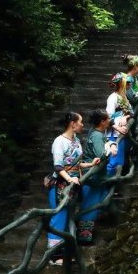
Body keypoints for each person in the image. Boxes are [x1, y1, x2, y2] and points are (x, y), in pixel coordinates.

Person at [47, 112, 100, 265]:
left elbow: (77, 163)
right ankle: (54, 256)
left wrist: (90, 164)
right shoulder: (59, 142)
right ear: (73, 124)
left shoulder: (76, 140)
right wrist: (70, 178)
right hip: (61, 186)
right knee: (59, 217)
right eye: (81, 122)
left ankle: (67, 252)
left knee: (68, 216)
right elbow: (58, 166)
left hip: (74, 184)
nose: (83, 125)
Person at [78, 109, 117, 245]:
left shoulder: (96, 133)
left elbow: (105, 141)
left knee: (98, 201)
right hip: (92, 176)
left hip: (95, 176)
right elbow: (101, 154)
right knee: (90, 205)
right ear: (102, 122)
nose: (109, 121)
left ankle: (87, 236)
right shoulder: (97, 136)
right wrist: (110, 149)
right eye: (107, 119)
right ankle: (84, 239)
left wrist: (111, 143)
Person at [105, 73, 132, 176]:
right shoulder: (113, 98)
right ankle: (107, 186)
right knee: (114, 161)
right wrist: (117, 127)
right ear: (122, 84)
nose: (129, 85)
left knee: (120, 160)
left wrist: (125, 117)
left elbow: (131, 112)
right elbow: (107, 117)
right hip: (114, 133)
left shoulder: (123, 97)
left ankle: (113, 186)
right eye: (128, 83)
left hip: (121, 131)